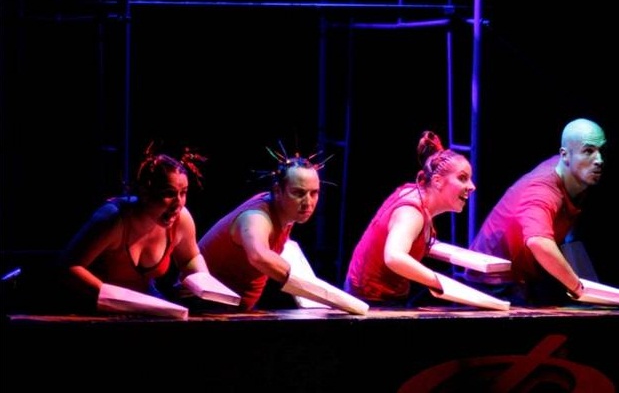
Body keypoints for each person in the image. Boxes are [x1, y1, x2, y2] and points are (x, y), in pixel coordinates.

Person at [463, 117, 607, 306]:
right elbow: (538, 242)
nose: (599, 160)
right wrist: (580, 289)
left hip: (524, 273)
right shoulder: (542, 191)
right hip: (492, 280)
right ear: (565, 155)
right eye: (588, 151)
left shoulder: (575, 176)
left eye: (601, 150)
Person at [58, 142, 212, 312]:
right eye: (169, 193)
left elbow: (190, 257)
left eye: (183, 193)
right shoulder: (114, 218)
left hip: (145, 304)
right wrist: (116, 299)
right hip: (93, 307)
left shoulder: (181, 219)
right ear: (145, 193)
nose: (178, 203)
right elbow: (68, 267)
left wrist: (200, 279)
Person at [343, 130, 476, 306]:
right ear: (437, 181)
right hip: (371, 301)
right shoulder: (411, 212)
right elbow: (394, 256)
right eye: (462, 178)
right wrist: (442, 283)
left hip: (381, 297)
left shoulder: (417, 193)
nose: (472, 186)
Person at [198, 146, 326, 311]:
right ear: (277, 191)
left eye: (314, 193)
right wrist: (317, 290)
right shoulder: (256, 216)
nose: (308, 202)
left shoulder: (286, 213)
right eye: (298, 193)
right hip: (201, 308)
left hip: (234, 311)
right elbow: (259, 256)